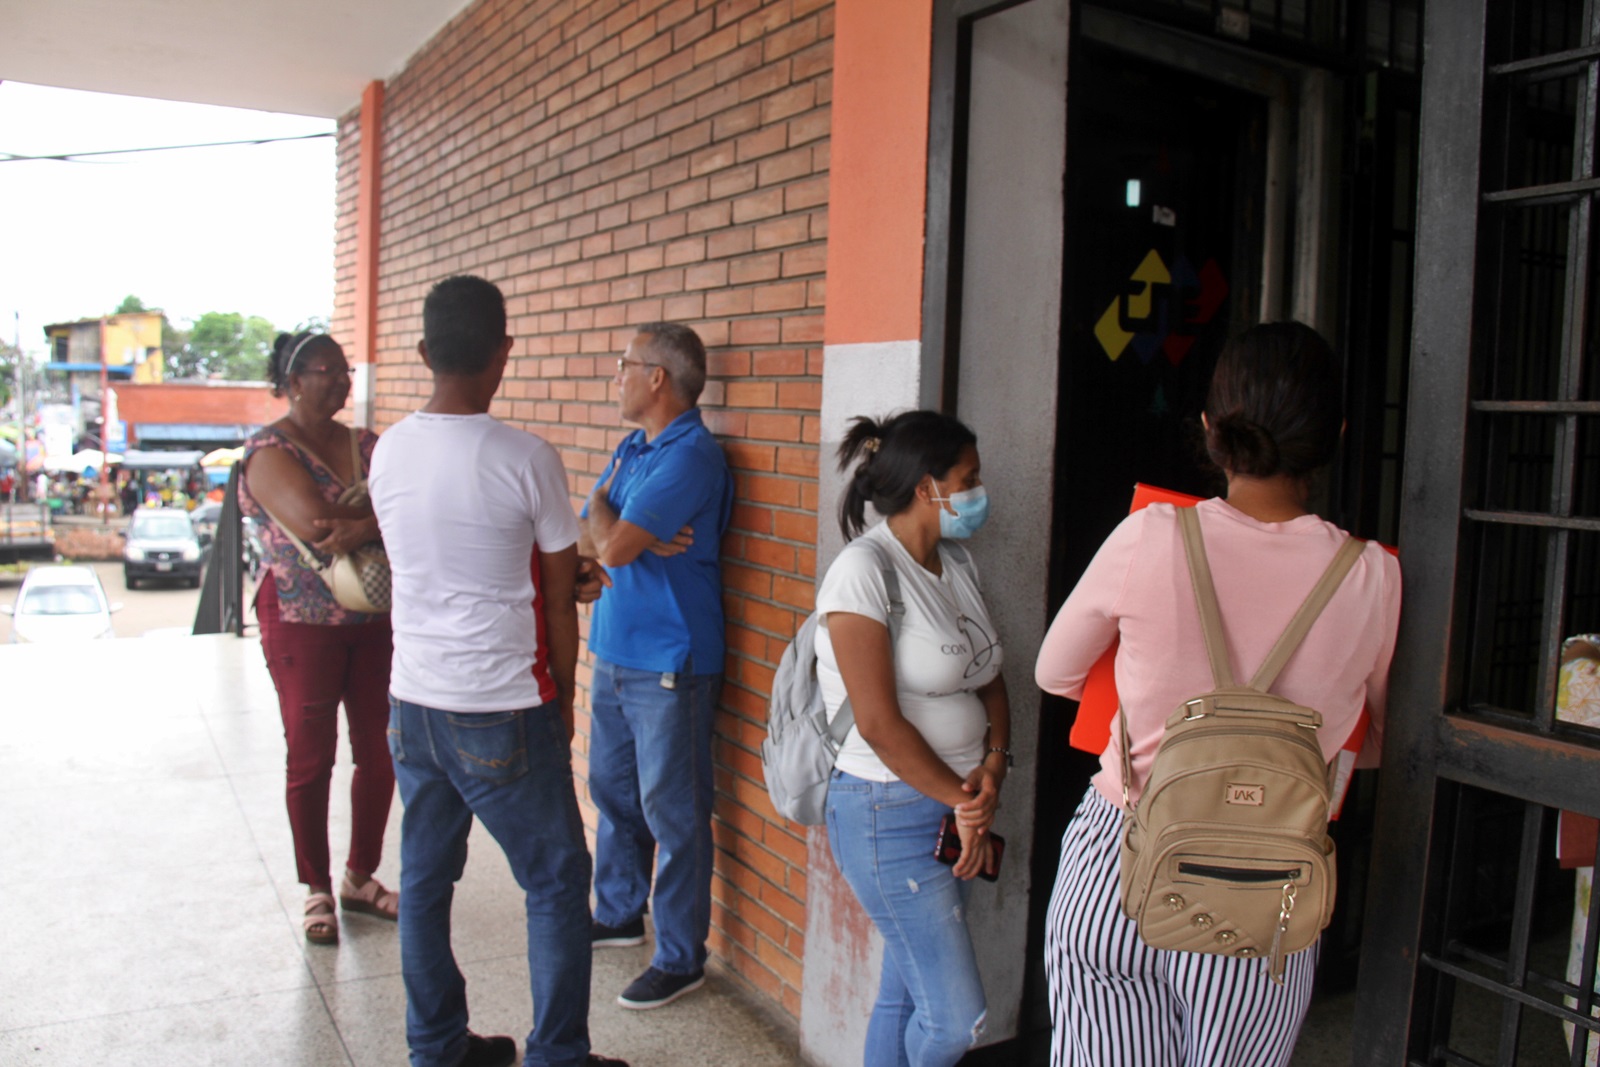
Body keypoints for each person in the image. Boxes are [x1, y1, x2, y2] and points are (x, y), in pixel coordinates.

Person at [1035, 322, 1402, 1067]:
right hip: (1265, 890)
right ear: (1332, 433)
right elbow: (1373, 748)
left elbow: (1055, 674)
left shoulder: (1152, 535)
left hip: (1118, 852)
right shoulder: (1373, 578)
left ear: (1210, 428)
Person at [370, 275, 627, 1067]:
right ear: (504, 351)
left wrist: (557, 575)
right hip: (501, 703)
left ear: (423, 352)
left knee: (424, 879)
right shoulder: (526, 457)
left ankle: (437, 1046)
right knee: (555, 879)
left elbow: (442, 557)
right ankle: (557, 1055)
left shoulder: (388, 451)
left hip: (413, 701)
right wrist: (565, 705)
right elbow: (558, 601)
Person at [815, 411, 1010, 1067]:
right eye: (970, 478)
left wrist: (992, 766)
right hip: (885, 812)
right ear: (929, 486)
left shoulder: (956, 564)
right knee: (957, 1019)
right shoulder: (862, 571)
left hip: (952, 809)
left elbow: (991, 679)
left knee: (905, 998)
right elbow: (877, 720)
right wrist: (966, 799)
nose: (980, 492)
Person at [580, 323, 734, 1010]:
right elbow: (593, 521)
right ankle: (617, 913)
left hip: (672, 658)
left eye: (625, 364)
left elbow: (607, 550)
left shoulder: (692, 455)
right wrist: (616, 523)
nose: (616, 374)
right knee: (612, 792)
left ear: (657, 379)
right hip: (615, 648)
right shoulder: (633, 446)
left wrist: (614, 531)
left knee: (673, 812)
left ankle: (680, 955)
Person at [239, 330, 396, 946]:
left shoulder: (367, 444)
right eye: (326, 370)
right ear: (293, 380)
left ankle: (360, 877)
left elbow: (408, 508)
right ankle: (316, 888)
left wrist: (364, 525)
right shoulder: (269, 450)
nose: (340, 381)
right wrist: (369, 521)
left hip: (373, 616)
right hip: (302, 622)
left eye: (345, 371)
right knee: (311, 758)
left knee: (380, 751)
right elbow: (315, 524)